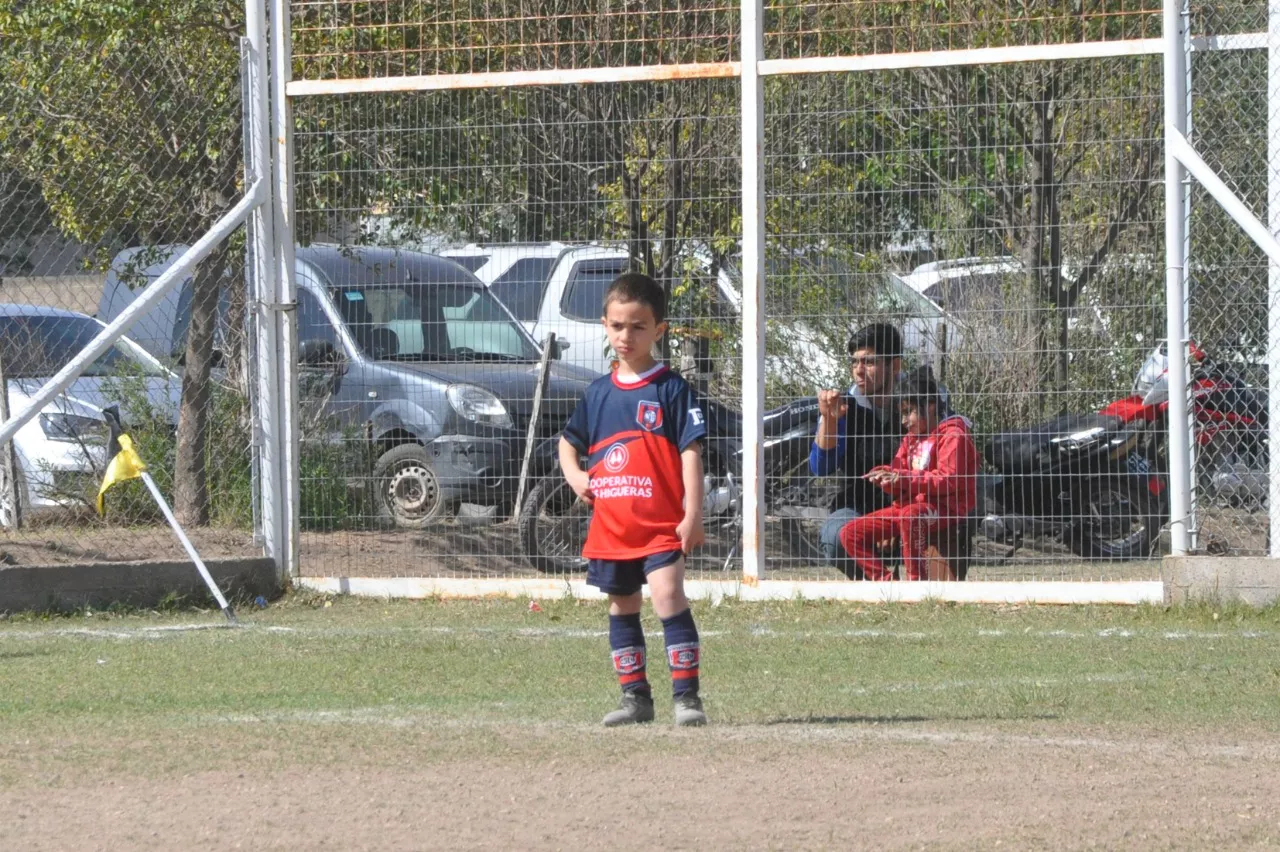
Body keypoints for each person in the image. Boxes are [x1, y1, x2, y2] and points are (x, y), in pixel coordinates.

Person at [559, 271, 709, 728]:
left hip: (662, 523)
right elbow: (568, 442)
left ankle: (687, 698)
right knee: (622, 605)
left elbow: (691, 452)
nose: (627, 336)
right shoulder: (598, 393)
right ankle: (635, 698)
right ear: (605, 324)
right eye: (618, 326)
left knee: (667, 595)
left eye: (638, 326)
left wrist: (693, 514)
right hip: (612, 528)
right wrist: (575, 475)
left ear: (658, 330)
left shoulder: (672, 390)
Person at [839, 366, 978, 581]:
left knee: (910, 516)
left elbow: (947, 480)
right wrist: (884, 477)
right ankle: (887, 584)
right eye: (901, 413)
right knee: (849, 533)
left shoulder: (953, 435)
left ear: (930, 406)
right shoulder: (910, 439)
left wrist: (903, 478)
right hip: (907, 509)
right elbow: (898, 473)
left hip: (945, 509)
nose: (904, 421)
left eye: (909, 412)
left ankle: (915, 585)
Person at [809, 323, 906, 579]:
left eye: (869, 362)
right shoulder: (843, 406)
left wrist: (896, 520)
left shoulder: (920, 398)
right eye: (854, 362)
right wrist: (829, 420)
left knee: (959, 514)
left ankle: (933, 591)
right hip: (858, 508)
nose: (858, 372)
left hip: (911, 508)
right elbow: (820, 468)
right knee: (835, 536)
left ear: (895, 366)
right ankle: (879, 587)